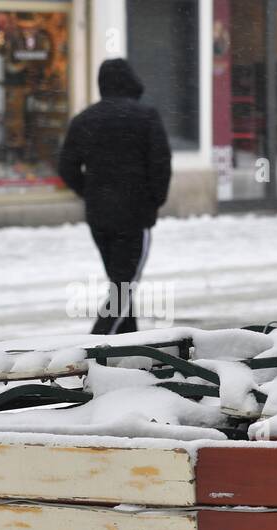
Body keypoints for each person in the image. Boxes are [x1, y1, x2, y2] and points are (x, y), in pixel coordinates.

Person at [58, 59, 172, 334]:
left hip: (100, 217)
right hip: (133, 216)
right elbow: (161, 165)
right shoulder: (146, 117)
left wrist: (89, 192)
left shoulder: (85, 119)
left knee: (120, 283)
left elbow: (66, 166)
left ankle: (127, 349)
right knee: (123, 288)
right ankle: (94, 349)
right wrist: (152, 201)